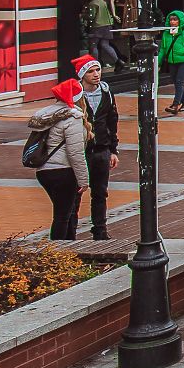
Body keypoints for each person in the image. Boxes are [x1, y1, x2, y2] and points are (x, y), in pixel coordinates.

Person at [30, 76, 89, 241]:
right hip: (63, 172)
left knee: (66, 213)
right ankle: (58, 255)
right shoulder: (73, 118)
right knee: (62, 216)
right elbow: (75, 153)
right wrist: (83, 179)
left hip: (43, 171)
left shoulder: (47, 114)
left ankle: (69, 250)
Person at [73, 56, 119, 239]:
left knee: (100, 193)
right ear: (82, 74)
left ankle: (100, 230)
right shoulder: (74, 94)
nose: (96, 74)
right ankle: (71, 231)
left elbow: (112, 121)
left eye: (98, 70)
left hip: (102, 150)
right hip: (81, 152)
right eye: (90, 71)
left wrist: (113, 150)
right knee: (75, 195)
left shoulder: (106, 93)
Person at [157, 10, 184, 116]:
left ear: (179, 21)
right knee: (177, 82)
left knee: (179, 81)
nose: (172, 22)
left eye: (175, 20)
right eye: (171, 20)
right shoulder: (167, 33)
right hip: (172, 61)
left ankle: (175, 104)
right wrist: (158, 62)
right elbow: (163, 49)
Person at [85, 0, 119, 71]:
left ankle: (94, 65)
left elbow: (91, 17)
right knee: (105, 45)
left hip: (97, 26)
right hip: (107, 25)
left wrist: (83, 15)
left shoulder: (93, 3)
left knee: (93, 45)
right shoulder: (102, 1)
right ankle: (117, 61)